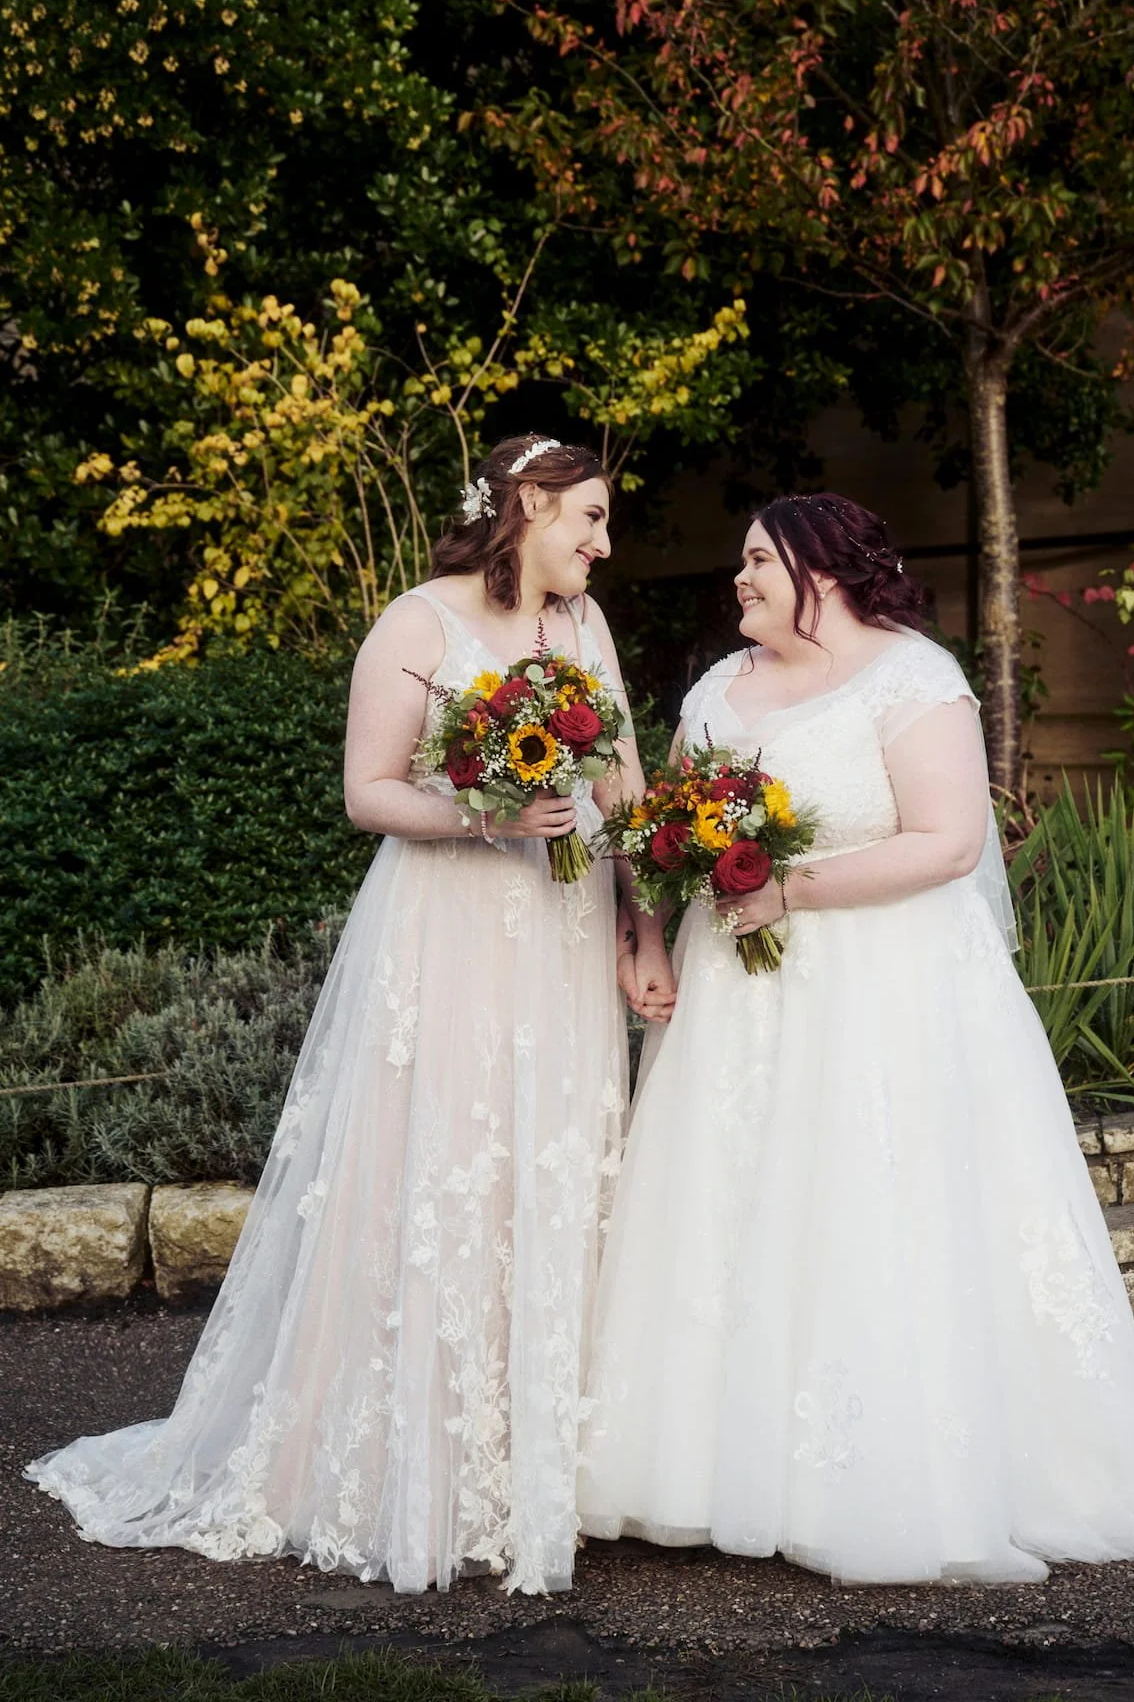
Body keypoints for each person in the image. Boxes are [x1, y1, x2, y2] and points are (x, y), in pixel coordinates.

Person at [27, 433, 674, 1595]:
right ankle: (405, 1459)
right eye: (587, 516)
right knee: (437, 1164)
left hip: (562, 935)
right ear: (526, 505)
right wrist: (487, 815)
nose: (602, 541)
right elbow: (367, 789)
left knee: (552, 1161)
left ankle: (542, 1460)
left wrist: (644, 926)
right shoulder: (417, 623)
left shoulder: (585, 629)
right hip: (449, 925)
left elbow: (620, 786)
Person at [577, 491, 1134, 1584]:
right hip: (736, 996)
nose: (738, 577)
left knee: (867, 1204)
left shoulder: (911, 678)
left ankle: (884, 1477)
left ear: (822, 571)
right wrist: (661, 907)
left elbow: (947, 842)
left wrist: (787, 887)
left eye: (757, 558)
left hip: (880, 992)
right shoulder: (715, 688)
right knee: (734, 1205)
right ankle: (703, 1470)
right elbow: (671, 821)